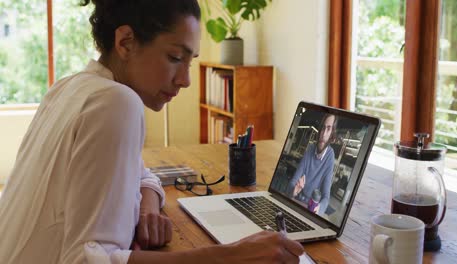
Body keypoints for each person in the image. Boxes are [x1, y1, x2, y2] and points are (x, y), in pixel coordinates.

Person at [0, 1, 304, 263]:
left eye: (190, 61)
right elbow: (85, 260)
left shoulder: (69, 87)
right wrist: (232, 256)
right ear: (126, 42)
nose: (185, 80)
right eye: (174, 58)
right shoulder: (117, 102)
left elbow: (141, 172)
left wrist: (147, 207)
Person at [287, 114, 337, 214]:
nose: (323, 134)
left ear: (332, 134)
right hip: (297, 202)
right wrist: (294, 190)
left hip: (310, 209)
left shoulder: (330, 156)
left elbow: (326, 196)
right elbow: (293, 182)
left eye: (328, 129)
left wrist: (319, 207)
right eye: (323, 128)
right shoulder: (310, 149)